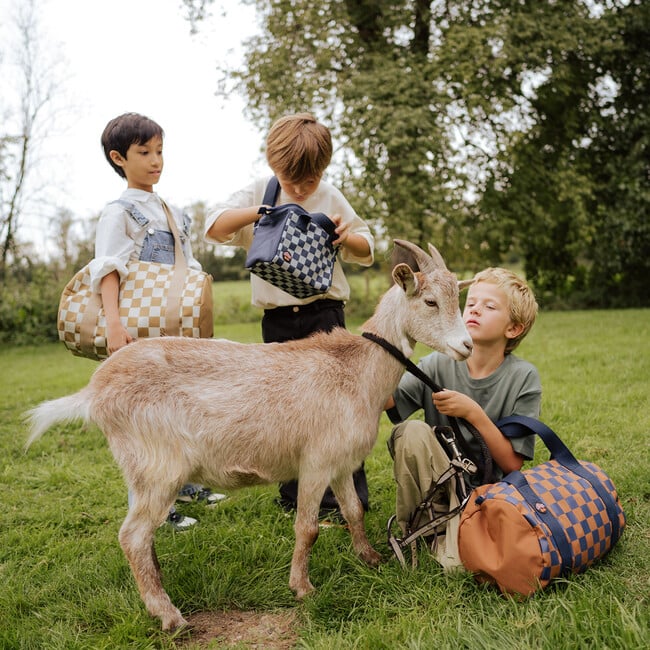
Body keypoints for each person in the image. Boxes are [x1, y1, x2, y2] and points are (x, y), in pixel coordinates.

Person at [204, 112, 375, 519]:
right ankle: (294, 495)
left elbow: (368, 248)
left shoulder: (331, 196)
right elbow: (213, 226)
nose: (298, 189)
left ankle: (343, 499)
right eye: (289, 179)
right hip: (279, 321)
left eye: (309, 181)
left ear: (323, 170)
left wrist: (344, 236)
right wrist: (260, 211)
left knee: (338, 409)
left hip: (325, 314)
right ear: (272, 165)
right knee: (287, 411)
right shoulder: (260, 192)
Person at [89, 112, 226, 530]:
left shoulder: (173, 210)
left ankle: (185, 484)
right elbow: (108, 269)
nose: (156, 161)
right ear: (119, 158)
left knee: (182, 411)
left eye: (160, 151)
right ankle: (152, 506)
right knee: (146, 419)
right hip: (139, 329)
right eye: (144, 152)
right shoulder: (119, 213)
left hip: (174, 331)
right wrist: (113, 323)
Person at [385, 266, 541, 568]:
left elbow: (512, 464)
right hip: (437, 486)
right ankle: (419, 526)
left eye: (489, 306)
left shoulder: (524, 377)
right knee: (410, 431)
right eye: (470, 303)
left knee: (457, 567)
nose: (474, 310)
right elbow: (388, 402)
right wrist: (385, 347)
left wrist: (473, 413)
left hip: (488, 494)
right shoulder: (435, 363)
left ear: (513, 329)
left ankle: (450, 532)